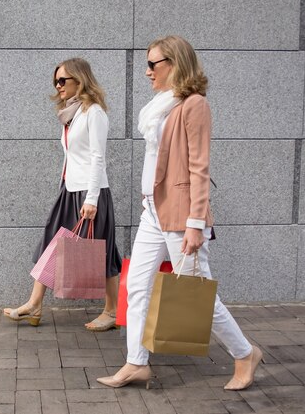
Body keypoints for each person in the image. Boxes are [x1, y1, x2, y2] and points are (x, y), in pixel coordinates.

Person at [97, 36, 263, 390]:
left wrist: (195, 224)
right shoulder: (161, 104)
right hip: (152, 212)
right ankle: (136, 363)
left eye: (153, 64)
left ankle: (245, 353)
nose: (147, 72)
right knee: (137, 287)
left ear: (174, 64)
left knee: (196, 294)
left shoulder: (193, 105)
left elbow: (199, 169)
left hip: (180, 214)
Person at [3, 58, 122, 331]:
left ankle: (112, 311)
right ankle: (34, 304)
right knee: (51, 242)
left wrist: (91, 199)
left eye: (62, 81)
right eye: (55, 81)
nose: (58, 87)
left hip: (90, 193)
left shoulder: (94, 113)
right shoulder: (71, 115)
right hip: (69, 189)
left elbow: (97, 159)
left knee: (102, 250)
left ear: (80, 80)